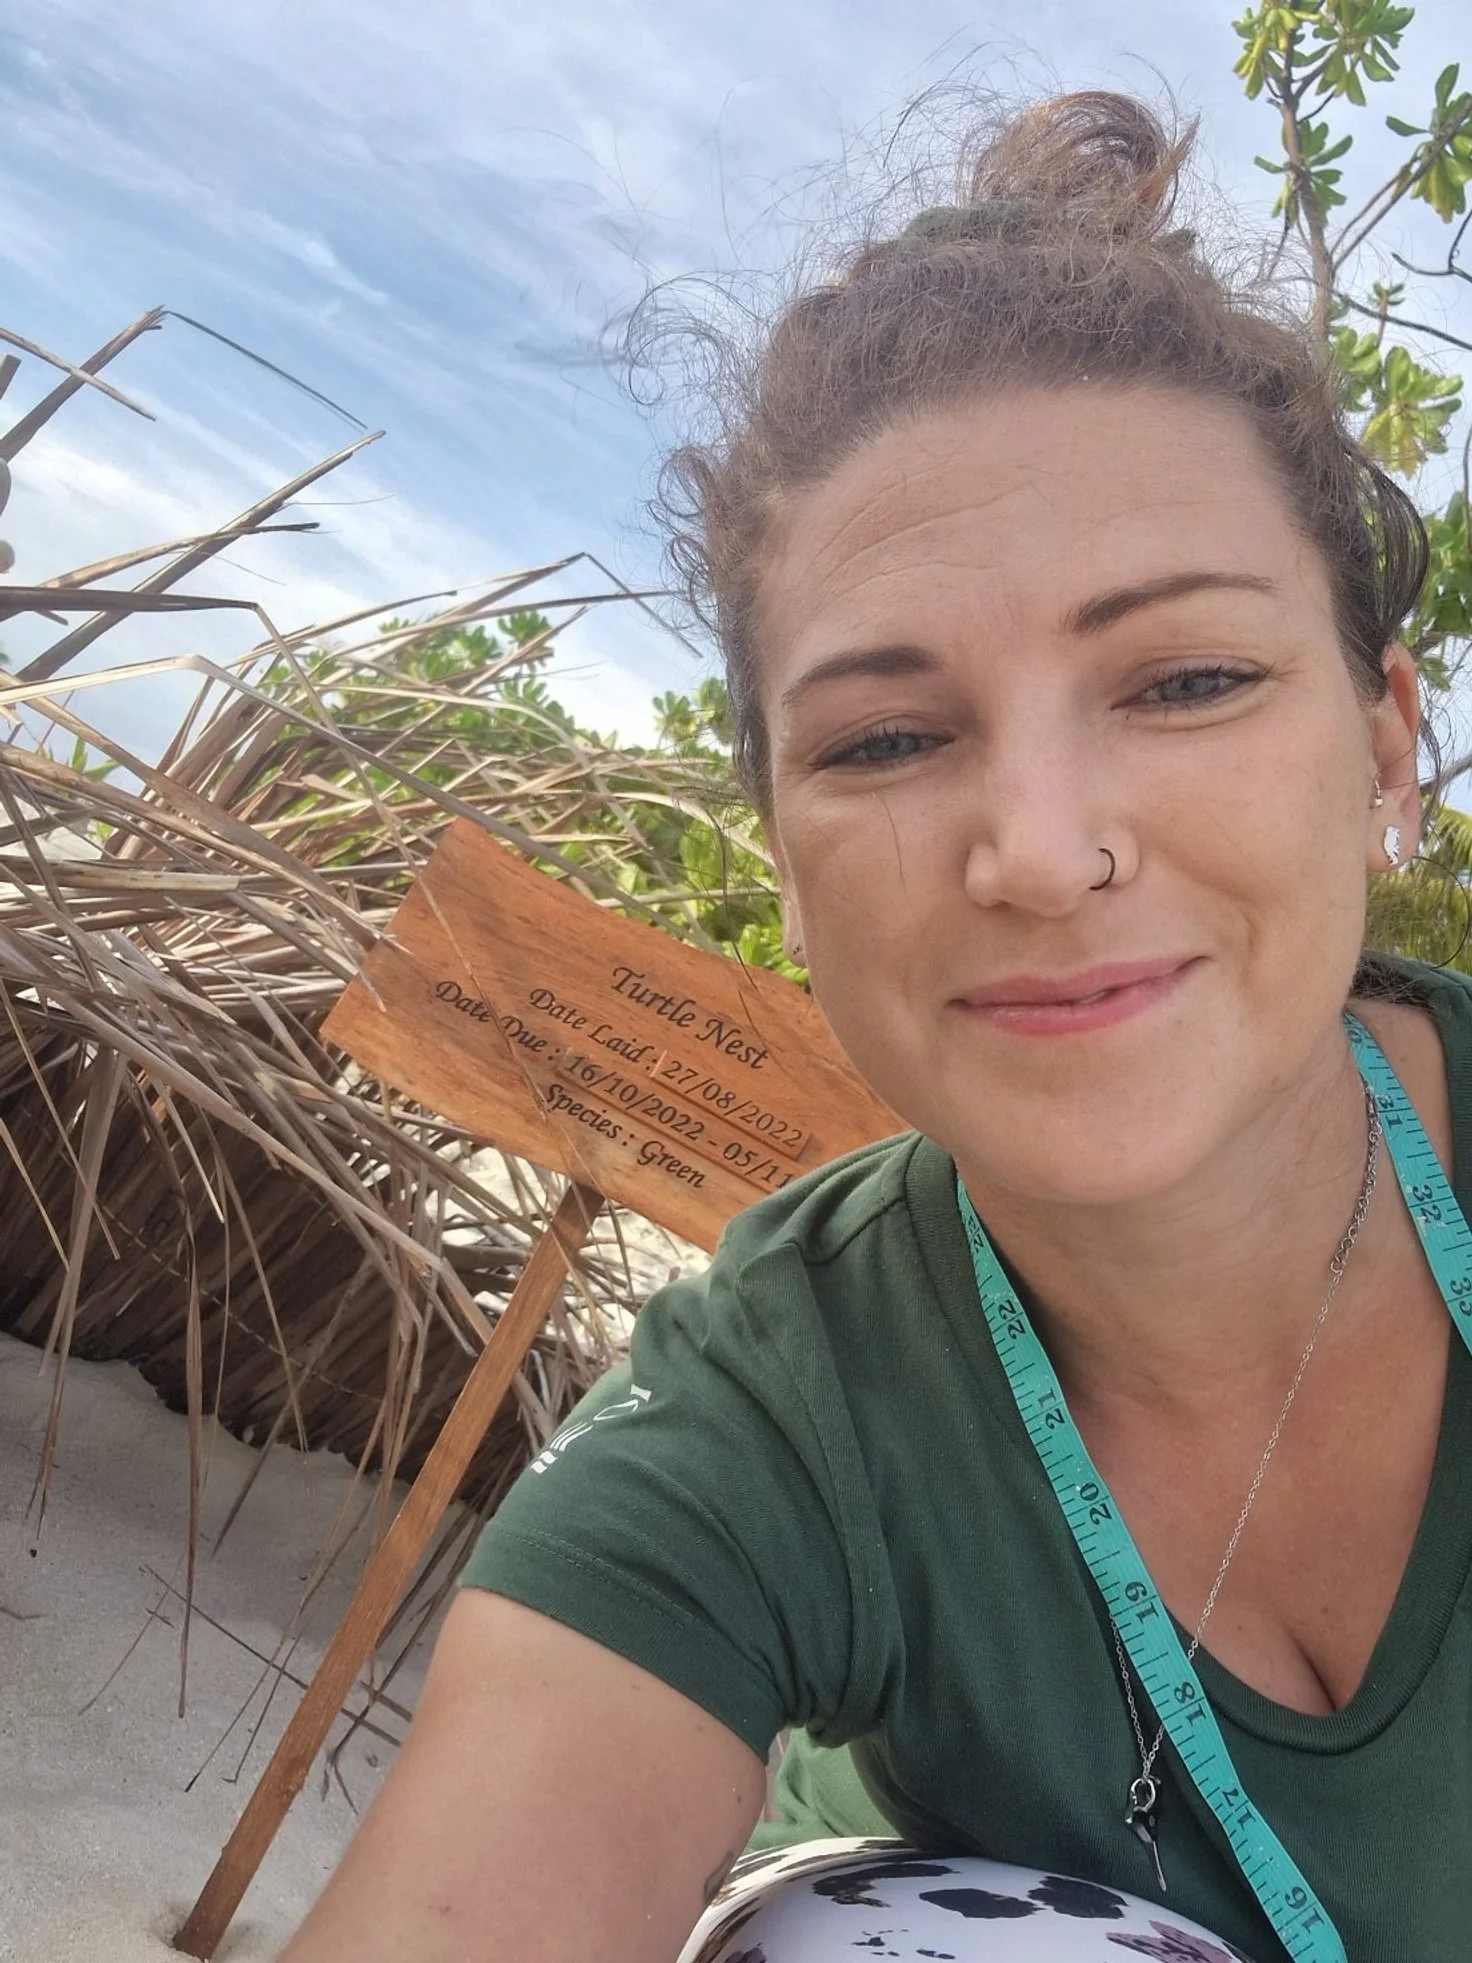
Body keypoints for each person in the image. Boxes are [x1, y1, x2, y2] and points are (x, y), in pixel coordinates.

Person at [278, 91, 1472, 1963]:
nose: (1040, 849)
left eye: (1187, 680)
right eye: (889, 739)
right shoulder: (780, 1397)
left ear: (1388, 741)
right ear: (783, 844)